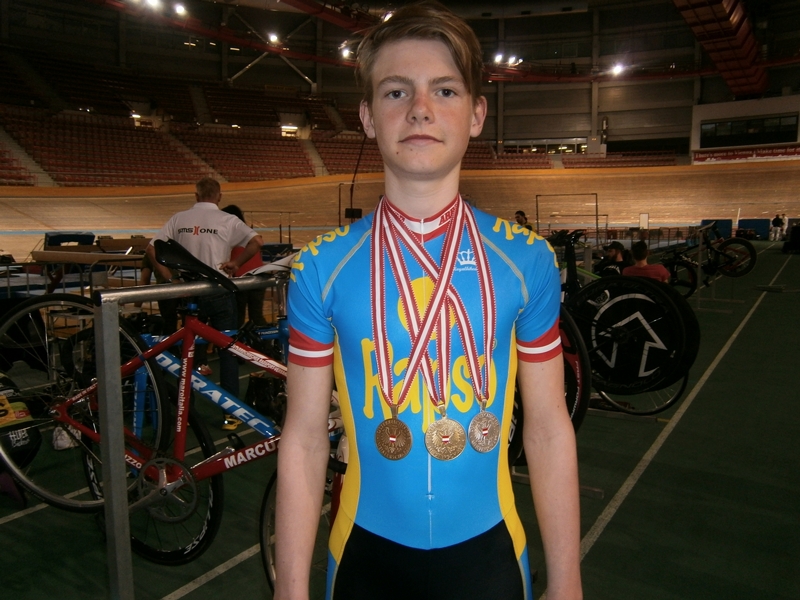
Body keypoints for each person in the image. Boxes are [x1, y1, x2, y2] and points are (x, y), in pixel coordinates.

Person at [275, 3, 582, 600]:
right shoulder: (320, 269)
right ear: (368, 117)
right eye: (396, 92)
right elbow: (306, 438)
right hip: (363, 561)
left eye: (444, 90)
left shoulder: (525, 262)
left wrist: (567, 579)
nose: (419, 108)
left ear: (477, 114)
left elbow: (548, 428)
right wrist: (290, 590)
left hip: (492, 560)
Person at [146, 177, 263, 431]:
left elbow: (152, 249)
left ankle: (186, 414)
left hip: (190, 294)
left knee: (188, 353)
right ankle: (231, 415)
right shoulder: (227, 220)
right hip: (219, 291)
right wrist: (236, 263)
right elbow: (257, 242)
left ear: (196, 195)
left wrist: (171, 279)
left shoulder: (179, 219)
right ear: (219, 196)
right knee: (228, 351)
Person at [221, 204, 268, 327]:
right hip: (259, 276)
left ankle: (238, 338)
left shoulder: (228, 234)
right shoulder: (250, 233)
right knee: (256, 316)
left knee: (238, 316)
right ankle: (263, 338)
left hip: (241, 278)